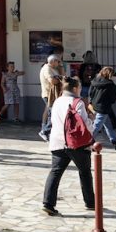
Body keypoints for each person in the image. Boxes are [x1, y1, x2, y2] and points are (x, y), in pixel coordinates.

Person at [42, 77, 95, 216]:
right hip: (76, 143)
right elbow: (84, 123)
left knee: (55, 172)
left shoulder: (57, 101)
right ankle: (90, 202)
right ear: (75, 89)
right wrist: (92, 122)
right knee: (85, 171)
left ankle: (48, 203)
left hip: (58, 141)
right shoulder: (77, 102)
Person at [88, 67, 116, 151]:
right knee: (97, 126)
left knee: (108, 126)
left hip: (95, 106)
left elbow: (90, 94)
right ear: (110, 75)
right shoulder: (110, 84)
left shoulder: (94, 81)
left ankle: (115, 141)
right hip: (104, 108)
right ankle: (86, 142)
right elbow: (113, 99)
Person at [39, 55, 64, 141]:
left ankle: (48, 132)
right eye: (58, 61)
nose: (59, 63)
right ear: (52, 61)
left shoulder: (54, 69)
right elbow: (52, 81)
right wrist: (59, 79)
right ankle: (45, 131)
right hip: (48, 95)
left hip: (54, 95)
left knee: (52, 114)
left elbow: (63, 76)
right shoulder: (47, 69)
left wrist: (61, 68)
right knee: (53, 114)